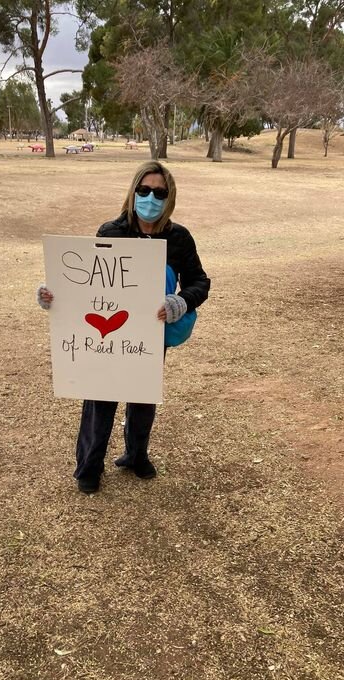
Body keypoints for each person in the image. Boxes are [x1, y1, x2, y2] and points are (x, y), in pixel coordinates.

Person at [38, 161, 210, 494]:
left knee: (143, 399)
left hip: (149, 333)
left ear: (169, 197)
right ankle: (89, 466)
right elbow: (87, 281)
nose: (150, 198)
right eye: (143, 190)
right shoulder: (111, 231)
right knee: (100, 399)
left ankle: (136, 455)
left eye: (159, 192)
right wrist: (52, 295)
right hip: (108, 336)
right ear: (133, 192)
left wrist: (181, 302)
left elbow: (199, 281)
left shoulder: (178, 238)